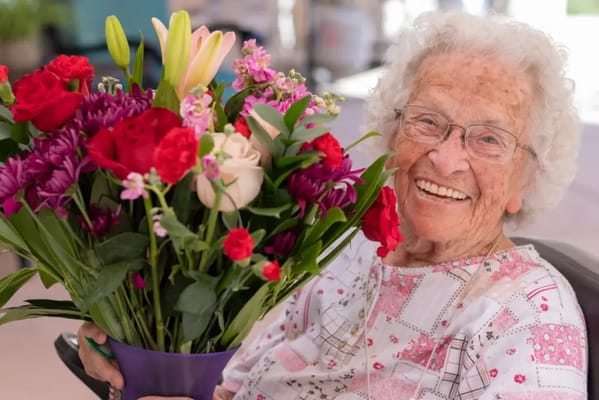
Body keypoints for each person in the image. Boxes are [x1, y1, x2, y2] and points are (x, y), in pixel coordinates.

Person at [78, 10, 587, 399]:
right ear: (392, 133)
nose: (446, 157)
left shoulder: (531, 316)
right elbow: (229, 381)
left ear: (528, 176)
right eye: (428, 121)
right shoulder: (350, 249)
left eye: (489, 139)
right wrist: (132, 350)